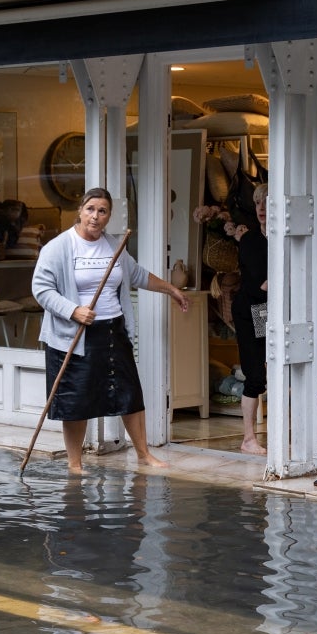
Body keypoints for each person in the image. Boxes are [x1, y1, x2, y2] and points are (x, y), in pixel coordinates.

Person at [31, 187, 190, 475]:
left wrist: (171, 290)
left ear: (108, 217)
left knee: (129, 393)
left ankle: (143, 454)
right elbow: (41, 289)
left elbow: (138, 275)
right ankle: (75, 463)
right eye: (91, 209)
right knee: (77, 400)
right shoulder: (58, 247)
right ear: (80, 210)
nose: (95, 216)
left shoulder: (114, 246)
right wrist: (73, 310)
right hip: (75, 337)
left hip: (113, 331)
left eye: (102, 211)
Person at [231, 183, 268, 455]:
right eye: (258, 204)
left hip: (272, 310)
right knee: (255, 374)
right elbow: (260, 285)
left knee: (279, 373)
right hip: (252, 310)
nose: (262, 209)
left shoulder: (284, 239)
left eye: (268, 204)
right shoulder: (250, 241)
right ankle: (248, 439)